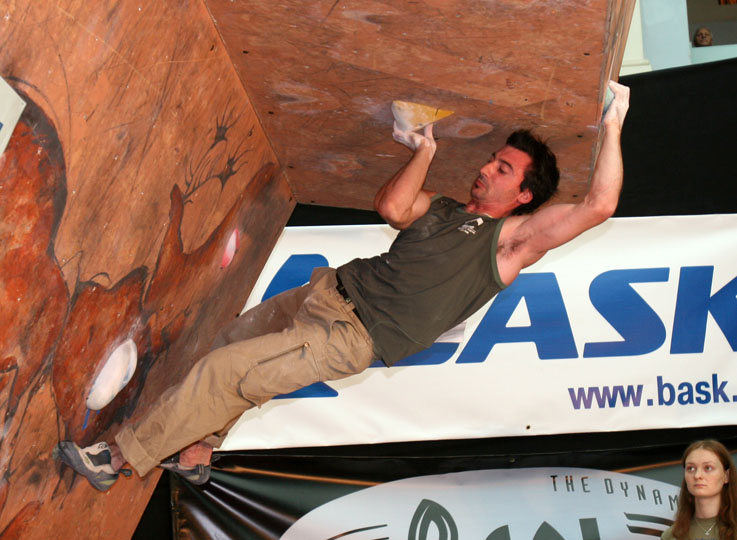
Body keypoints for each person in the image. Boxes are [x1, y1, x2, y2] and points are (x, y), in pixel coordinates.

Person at [54, 80, 630, 491]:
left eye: (503, 169)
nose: (486, 168)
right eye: (492, 159)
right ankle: (197, 449)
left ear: (524, 196)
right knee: (230, 344)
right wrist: (425, 149)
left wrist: (612, 121)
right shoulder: (445, 209)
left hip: (349, 336)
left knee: (225, 373)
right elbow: (393, 206)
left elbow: (600, 205)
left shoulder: (511, 243)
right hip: (326, 293)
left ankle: (117, 459)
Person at [662, 439, 737, 540]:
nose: (697, 475)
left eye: (708, 468)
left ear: (726, 476)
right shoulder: (671, 536)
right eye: (691, 468)